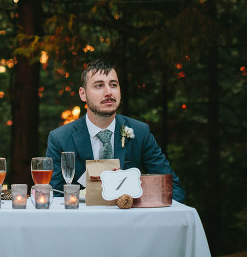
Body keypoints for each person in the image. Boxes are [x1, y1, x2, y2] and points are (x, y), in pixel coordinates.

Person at [46, 59, 186, 202]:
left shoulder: (139, 132)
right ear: (83, 94)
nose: (108, 92)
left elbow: (172, 189)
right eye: (99, 86)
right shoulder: (60, 138)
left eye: (113, 85)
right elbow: (54, 195)